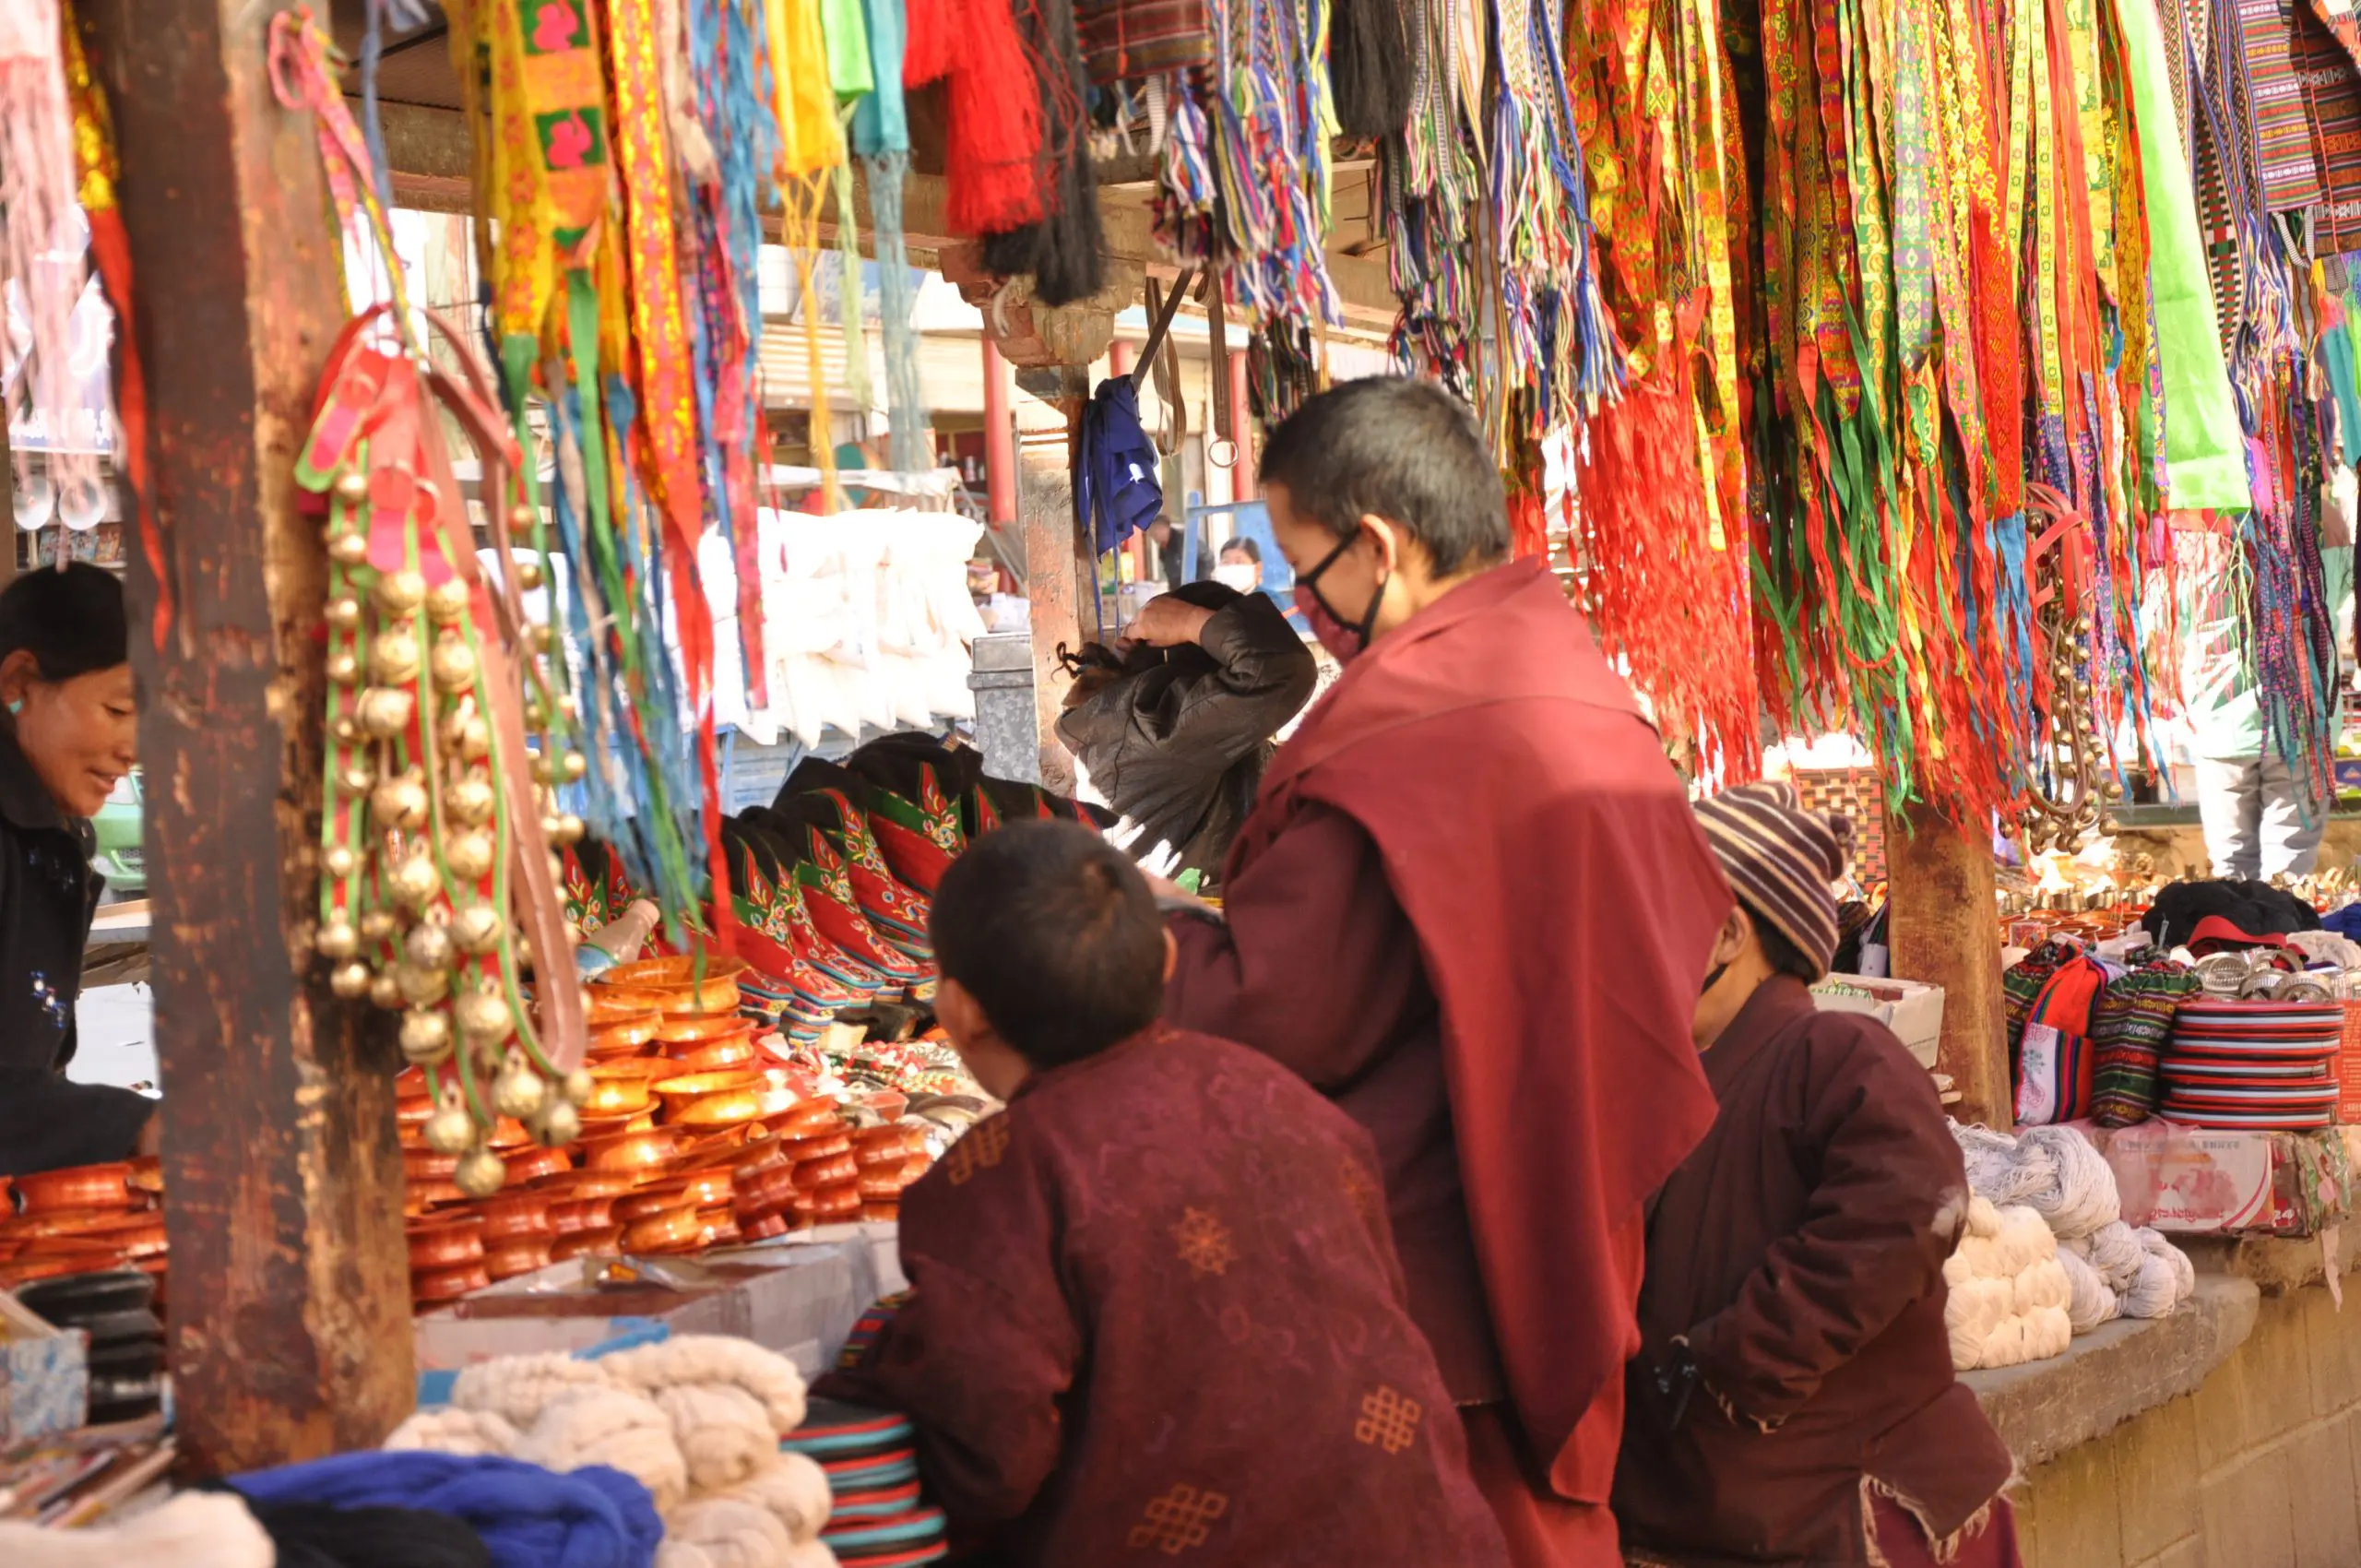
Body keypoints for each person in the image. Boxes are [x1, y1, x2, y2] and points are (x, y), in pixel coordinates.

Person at [1161, 377, 1729, 1568]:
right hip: (1566, 1220)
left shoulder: (1410, 728)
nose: (1305, 611)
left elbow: (1277, 1008)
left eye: (1310, 577)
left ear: (1379, 547)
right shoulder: (1582, 686)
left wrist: (1129, 941)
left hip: (1429, 1273)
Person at [817, 820, 1510, 1567]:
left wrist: (854, 1388)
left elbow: (986, 1453)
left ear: (959, 1010)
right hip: (1426, 1537)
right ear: (1169, 962)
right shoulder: (1291, 1100)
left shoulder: (1002, 1170)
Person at [1613, 781, 2018, 1568]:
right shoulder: (1665, 1082)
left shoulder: (1834, 1053)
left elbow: (1908, 1210)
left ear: (1728, 936)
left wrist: (1734, 1358)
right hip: (1720, 1519)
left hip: (1850, 1516)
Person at [0, 564, 155, 1176]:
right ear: (20, 682)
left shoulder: (52, 834)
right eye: (117, 710)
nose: (134, 747)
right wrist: (131, 1125)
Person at [1053, 579, 1316, 885]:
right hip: (1181, 921)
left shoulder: (1142, 720)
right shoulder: (1151, 719)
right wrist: (1191, 621)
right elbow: (1279, 671)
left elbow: (1252, 773)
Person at [2175, 529, 2329, 878]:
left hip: (2220, 723)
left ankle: (2240, 926)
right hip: (2293, 725)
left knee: (2232, 867)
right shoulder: (2306, 521)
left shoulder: (2192, 534)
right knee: (2288, 872)